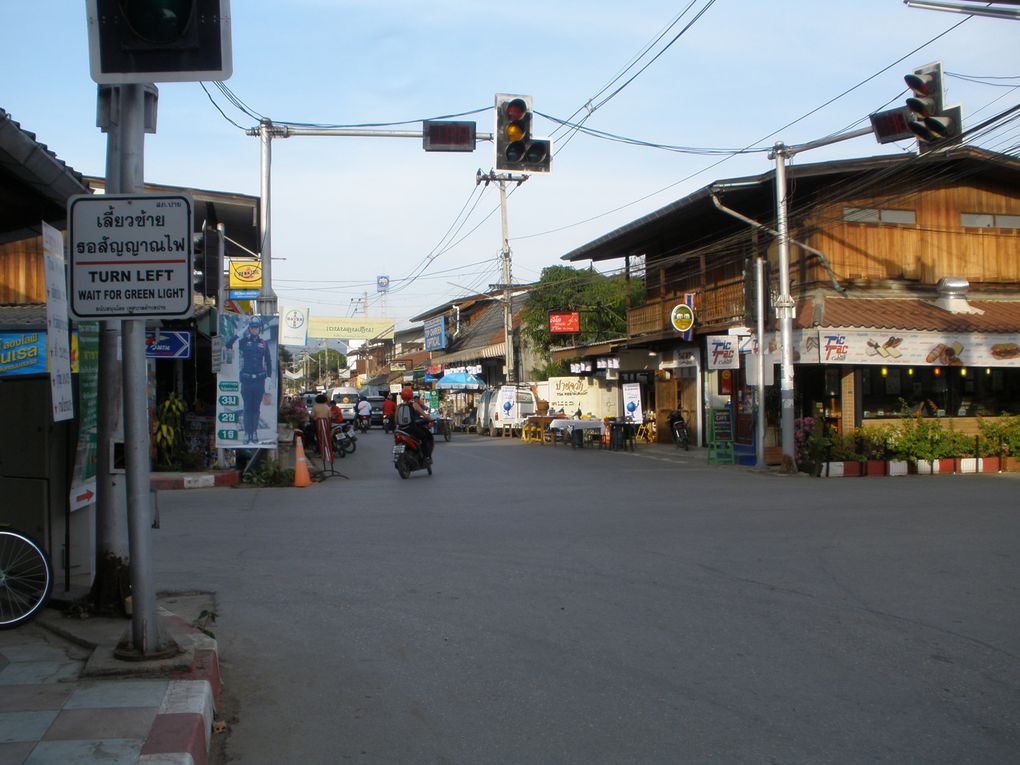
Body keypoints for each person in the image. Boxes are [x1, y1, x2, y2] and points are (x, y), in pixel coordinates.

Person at [224, 315, 273, 445]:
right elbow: (228, 344)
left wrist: (268, 380)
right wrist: (243, 329)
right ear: (249, 329)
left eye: (256, 327)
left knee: (256, 408)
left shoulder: (263, 343)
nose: (254, 329)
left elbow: (268, 361)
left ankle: (254, 432)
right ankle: (247, 432)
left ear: (259, 329)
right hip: (246, 380)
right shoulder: (244, 341)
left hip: (259, 381)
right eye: (252, 327)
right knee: (247, 408)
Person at [400, 387, 434, 463]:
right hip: (411, 429)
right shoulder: (414, 405)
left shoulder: (399, 406)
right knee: (424, 437)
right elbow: (424, 415)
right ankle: (426, 457)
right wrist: (430, 419)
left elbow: (396, 420)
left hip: (401, 430)